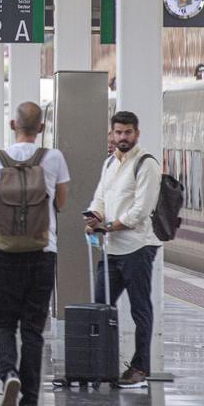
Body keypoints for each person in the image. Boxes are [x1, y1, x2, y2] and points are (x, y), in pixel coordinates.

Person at [0, 102, 70, 405]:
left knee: (3, 322)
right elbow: (61, 204)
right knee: (33, 329)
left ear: (13, 125)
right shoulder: (53, 159)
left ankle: (8, 373)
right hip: (43, 250)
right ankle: (31, 397)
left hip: (5, 251)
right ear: (41, 128)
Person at [83, 110, 161, 388]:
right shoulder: (110, 164)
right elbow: (100, 197)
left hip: (138, 247)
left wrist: (111, 225)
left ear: (136, 134)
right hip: (111, 248)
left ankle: (140, 368)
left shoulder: (146, 164)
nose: (122, 137)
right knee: (100, 305)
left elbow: (141, 210)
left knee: (140, 308)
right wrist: (93, 216)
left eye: (127, 132)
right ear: (112, 134)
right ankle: (103, 364)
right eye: (118, 132)